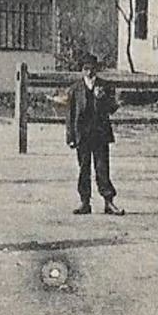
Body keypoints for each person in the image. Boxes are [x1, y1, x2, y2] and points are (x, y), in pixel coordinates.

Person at [67, 53, 124, 215]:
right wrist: (70, 137)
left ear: (96, 69)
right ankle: (85, 202)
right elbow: (70, 116)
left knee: (102, 168)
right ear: (82, 70)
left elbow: (110, 109)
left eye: (92, 69)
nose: (89, 72)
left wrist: (106, 100)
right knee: (83, 168)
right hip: (82, 135)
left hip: (100, 134)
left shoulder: (104, 86)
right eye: (86, 69)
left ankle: (109, 202)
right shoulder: (75, 89)